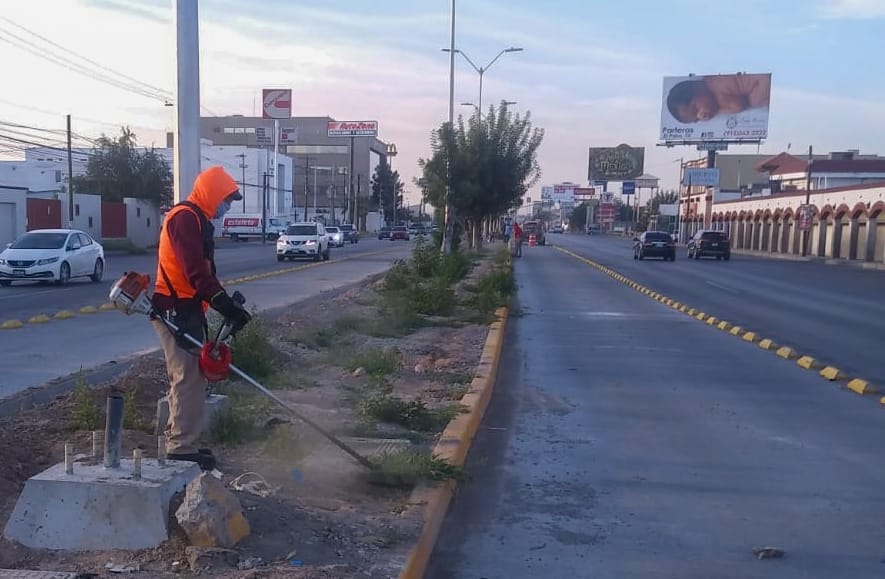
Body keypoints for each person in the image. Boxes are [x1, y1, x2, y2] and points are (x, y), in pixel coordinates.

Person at [151, 166, 252, 471]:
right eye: (227, 200)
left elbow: (206, 274)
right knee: (187, 376)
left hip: (187, 308)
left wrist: (224, 305)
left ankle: (180, 438)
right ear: (212, 194)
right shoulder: (185, 218)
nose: (227, 207)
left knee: (188, 374)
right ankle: (180, 447)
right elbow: (195, 272)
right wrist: (225, 305)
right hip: (174, 308)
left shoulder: (198, 220)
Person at [666, 73, 771, 124]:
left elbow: (740, 105)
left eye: (696, 109)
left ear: (699, 89)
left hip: (762, 82)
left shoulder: (718, 89)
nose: (702, 116)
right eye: (697, 119)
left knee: (755, 102)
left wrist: (720, 109)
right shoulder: (712, 86)